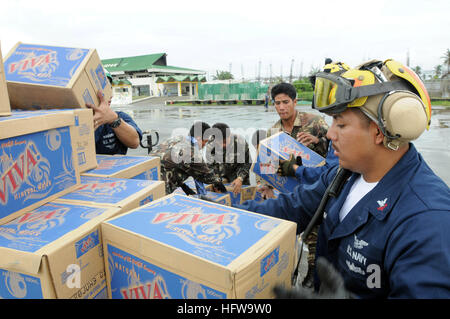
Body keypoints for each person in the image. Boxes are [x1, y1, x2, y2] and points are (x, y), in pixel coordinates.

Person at [236, 59, 450, 298]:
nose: (329, 133)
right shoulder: (345, 175)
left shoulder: (427, 220)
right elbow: (290, 206)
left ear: (378, 132)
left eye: (340, 123)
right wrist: (224, 212)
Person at [149, 121, 227, 195]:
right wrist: (219, 184)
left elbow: (170, 164)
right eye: (205, 142)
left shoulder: (177, 138)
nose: (204, 145)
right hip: (160, 187)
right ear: (199, 138)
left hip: (146, 177)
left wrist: (183, 186)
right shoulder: (191, 152)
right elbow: (206, 176)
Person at [86, 73, 143, 155]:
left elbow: (134, 142)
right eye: (104, 90)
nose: (111, 95)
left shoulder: (120, 116)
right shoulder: (74, 119)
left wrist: (114, 120)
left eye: (110, 89)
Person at [205, 122, 252, 195]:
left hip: (239, 175)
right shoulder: (210, 145)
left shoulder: (240, 142)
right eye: (219, 142)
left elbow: (247, 163)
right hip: (222, 175)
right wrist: (216, 181)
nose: (223, 145)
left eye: (225, 142)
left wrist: (240, 178)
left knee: (243, 197)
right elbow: (210, 166)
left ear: (229, 135)